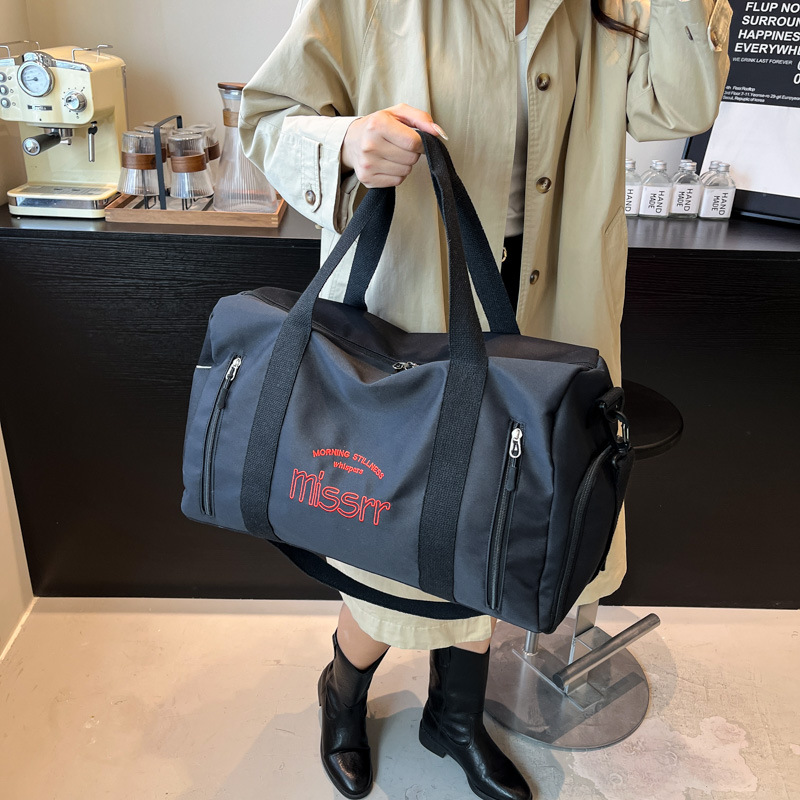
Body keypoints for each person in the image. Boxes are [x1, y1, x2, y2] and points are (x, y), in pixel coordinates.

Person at [239, 0, 731, 797]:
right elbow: (265, 119)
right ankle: (344, 688)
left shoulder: (614, 7)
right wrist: (346, 143)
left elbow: (681, 106)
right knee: (396, 541)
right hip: (415, 303)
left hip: (548, 308)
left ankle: (456, 715)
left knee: (497, 527)